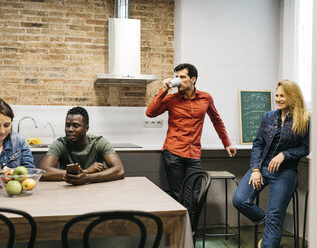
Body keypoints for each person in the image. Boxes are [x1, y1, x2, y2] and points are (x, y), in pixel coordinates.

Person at [232, 80, 310, 248]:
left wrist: (284, 155)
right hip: (262, 168)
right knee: (240, 199)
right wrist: (255, 169)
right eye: (277, 95)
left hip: (286, 172)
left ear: (293, 97)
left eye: (283, 95)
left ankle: (269, 236)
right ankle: (266, 223)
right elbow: (258, 144)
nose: (279, 99)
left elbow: (306, 147)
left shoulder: (305, 119)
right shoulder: (268, 116)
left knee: (275, 215)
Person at [146, 63, 236, 200]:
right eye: (177, 77)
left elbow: (216, 120)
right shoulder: (171, 99)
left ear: (193, 79)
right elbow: (150, 113)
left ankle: (190, 222)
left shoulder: (206, 98)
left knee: (193, 196)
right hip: (173, 152)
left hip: (193, 154)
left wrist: (227, 143)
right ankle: (182, 222)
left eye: (182, 77)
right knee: (177, 196)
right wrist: (164, 89)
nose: (178, 80)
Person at [40, 106, 124, 185]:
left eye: (76, 126)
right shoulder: (61, 143)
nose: (70, 129)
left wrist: (87, 178)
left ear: (86, 128)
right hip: (67, 191)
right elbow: (43, 172)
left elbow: (119, 170)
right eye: (67, 125)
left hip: (96, 191)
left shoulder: (98, 142)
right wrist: (86, 171)